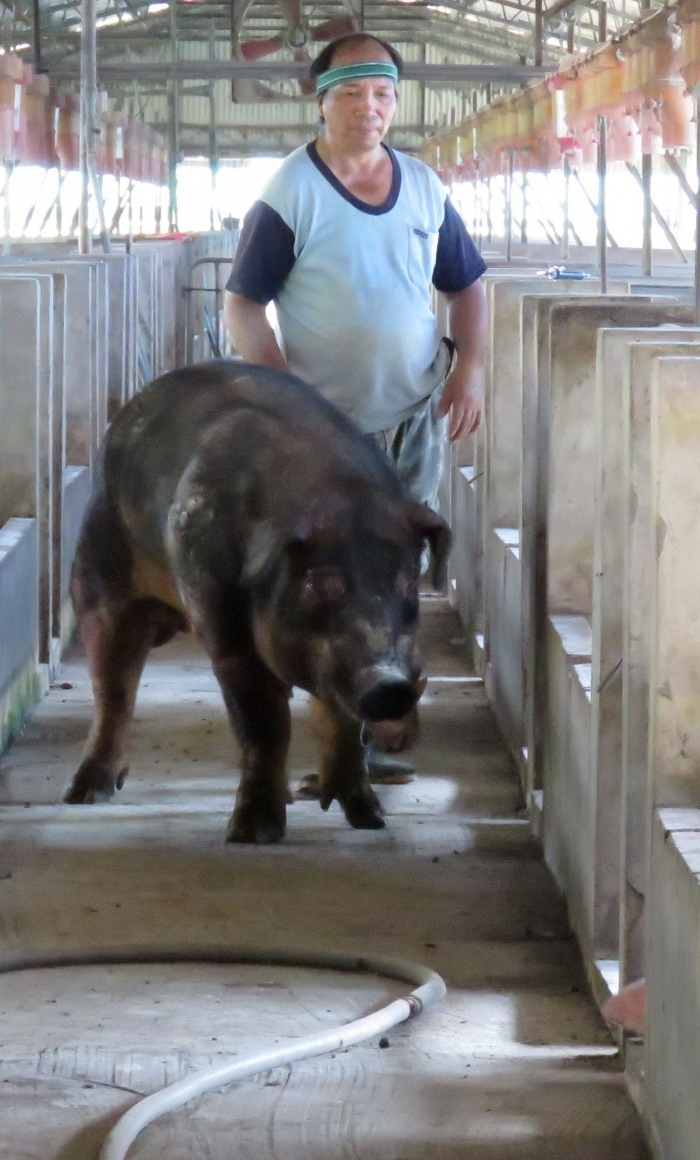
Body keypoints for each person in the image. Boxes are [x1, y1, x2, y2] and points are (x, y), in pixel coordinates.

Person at [223, 32, 488, 783]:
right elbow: (244, 305)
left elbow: (465, 284)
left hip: (411, 414)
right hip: (325, 431)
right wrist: (286, 395)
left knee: (397, 576)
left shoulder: (423, 186)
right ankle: (337, 733)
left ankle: (384, 713)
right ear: (322, 102)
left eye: (381, 94)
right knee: (334, 579)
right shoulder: (291, 192)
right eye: (349, 93)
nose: (367, 108)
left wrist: (470, 369)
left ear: (395, 102)